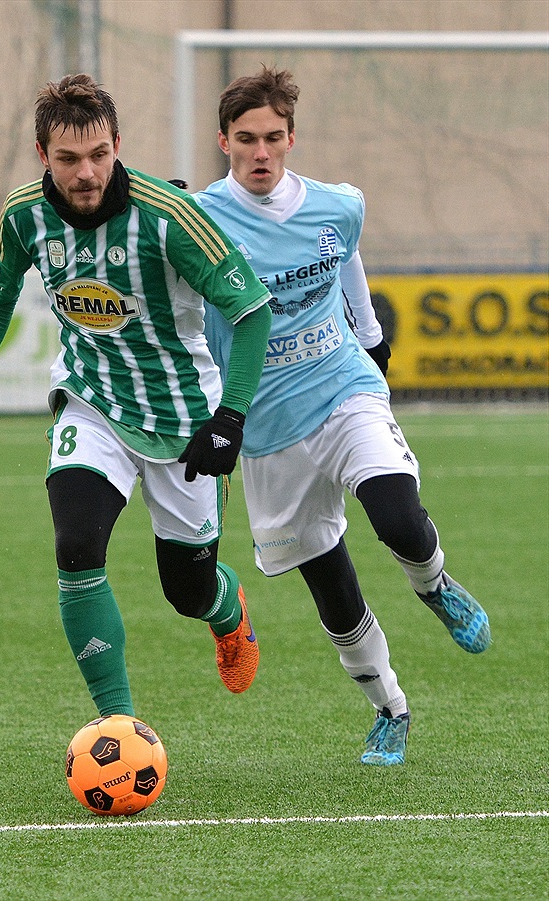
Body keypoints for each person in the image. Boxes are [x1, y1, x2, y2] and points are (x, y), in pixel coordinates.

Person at [0, 74, 273, 721]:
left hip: (183, 419)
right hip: (91, 401)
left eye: (98, 154)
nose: (86, 171)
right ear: (44, 156)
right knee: (77, 546)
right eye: (68, 159)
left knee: (188, 588)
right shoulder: (23, 215)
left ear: (117, 144)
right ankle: (116, 723)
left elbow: (253, 310)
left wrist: (230, 416)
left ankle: (227, 611)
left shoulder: (169, 216)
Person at [194, 66, 491, 766]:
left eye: (272, 138)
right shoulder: (201, 219)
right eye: (246, 140)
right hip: (265, 428)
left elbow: (345, 254)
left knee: (397, 516)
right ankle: (391, 708)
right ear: (224, 141)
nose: (260, 152)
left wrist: (368, 340)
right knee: (333, 586)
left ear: (291, 137)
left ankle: (435, 584)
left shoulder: (338, 204)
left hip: (342, 389)